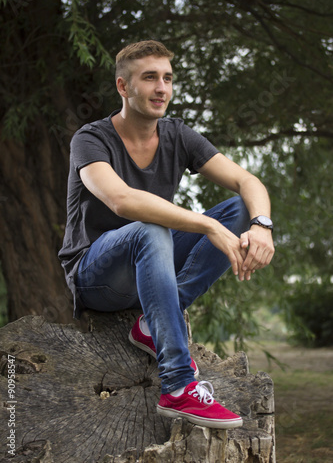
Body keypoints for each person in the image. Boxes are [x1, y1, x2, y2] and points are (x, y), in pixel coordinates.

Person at [59, 40, 275, 430]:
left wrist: (262, 226)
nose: (162, 88)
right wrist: (209, 225)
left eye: (168, 78)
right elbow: (123, 201)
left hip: (153, 259)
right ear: (124, 87)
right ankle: (177, 386)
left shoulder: (178, 135)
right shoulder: (89, 139)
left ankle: (153, 321)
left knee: (241, 209)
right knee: (149, 229)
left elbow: (247, 180)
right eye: (150, 78)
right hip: (96, 277)